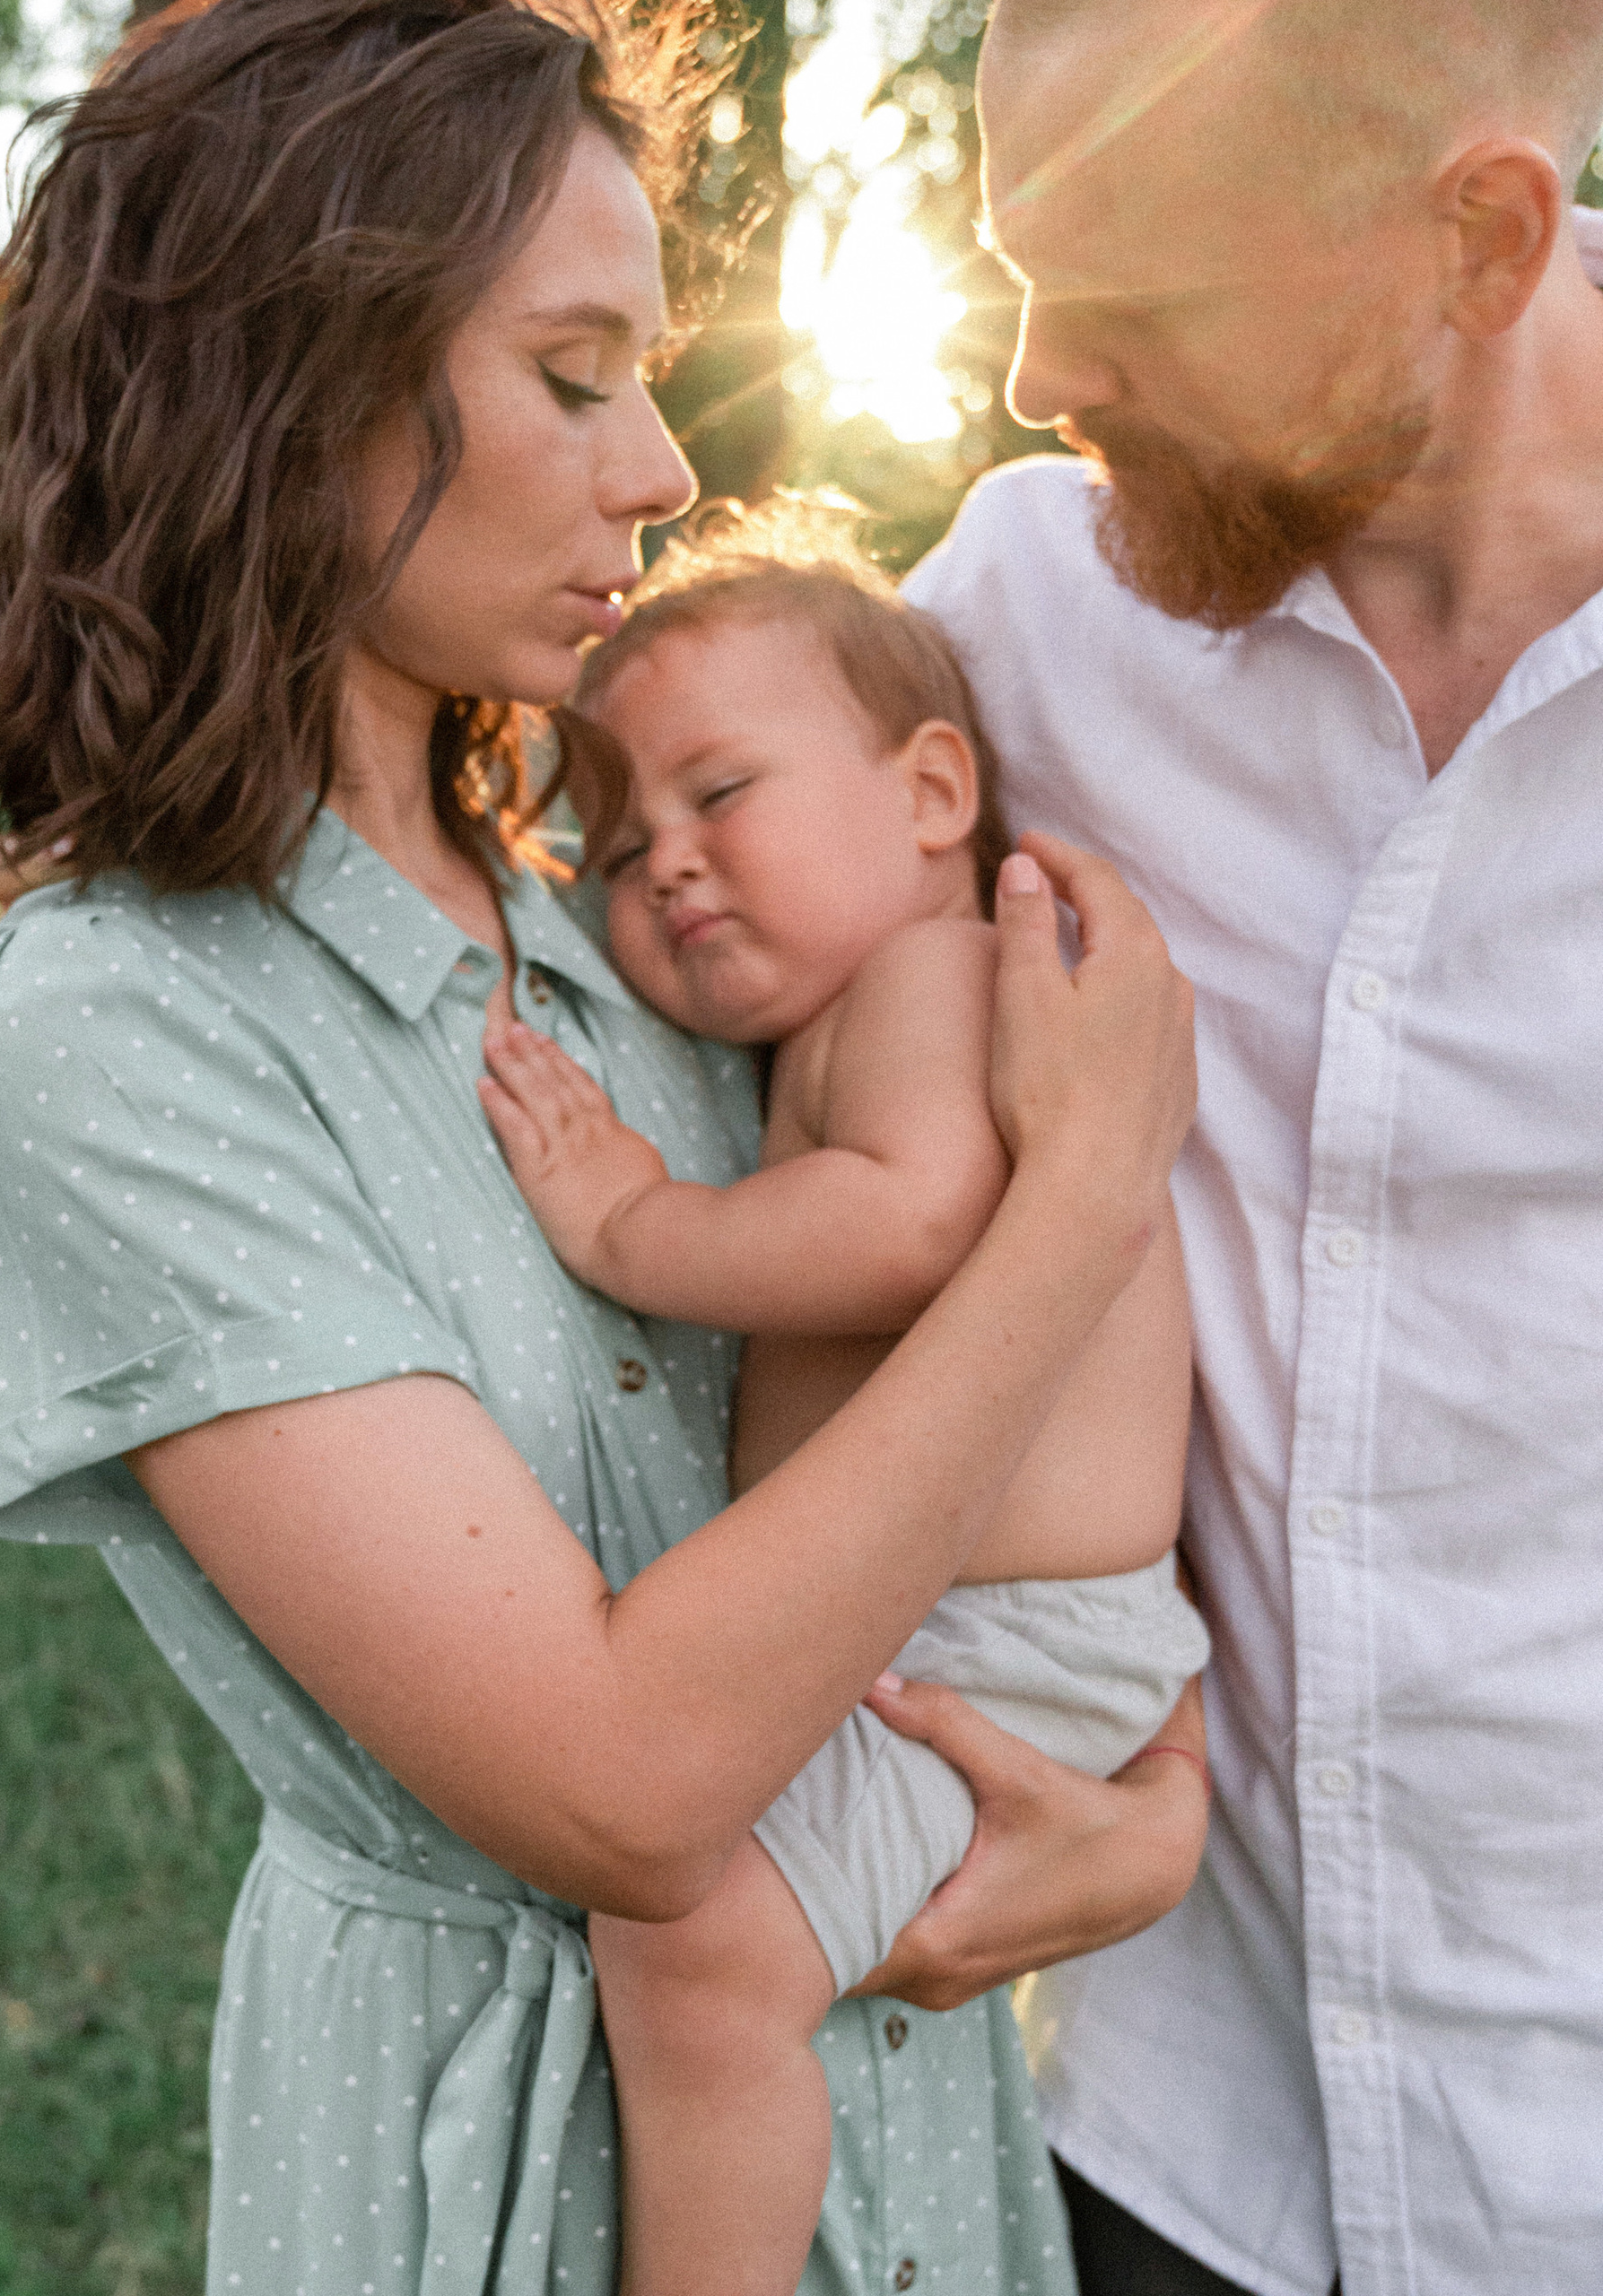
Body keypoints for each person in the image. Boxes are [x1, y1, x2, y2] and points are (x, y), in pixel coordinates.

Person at [0, 0, 1207, 2288]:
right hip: (488, 2183)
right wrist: (1074, 1205)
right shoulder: (105, 1032)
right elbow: (618, 1783)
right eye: (574, 375)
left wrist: (1147, 1815)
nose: (662, 467)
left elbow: (948, 1479)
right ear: (288, 380)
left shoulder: (625, 931)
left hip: (907, 2136)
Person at [888, 3, 1603, 2290]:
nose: (1031, 380)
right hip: (1191, 2130)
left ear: (1479, 242)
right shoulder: (1012, 622)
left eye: (1134, 293)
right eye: (1013, 266)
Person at [470, 533, 1212, 2296]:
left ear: (932, 791)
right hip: (945, 1630)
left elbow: (916, 1223)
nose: (667, 860)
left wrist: (631, 1221)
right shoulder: (839, 1008)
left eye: (722, 792)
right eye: (620, 848)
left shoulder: (940, 978)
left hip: (1015, 1645)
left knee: (695, 1953)